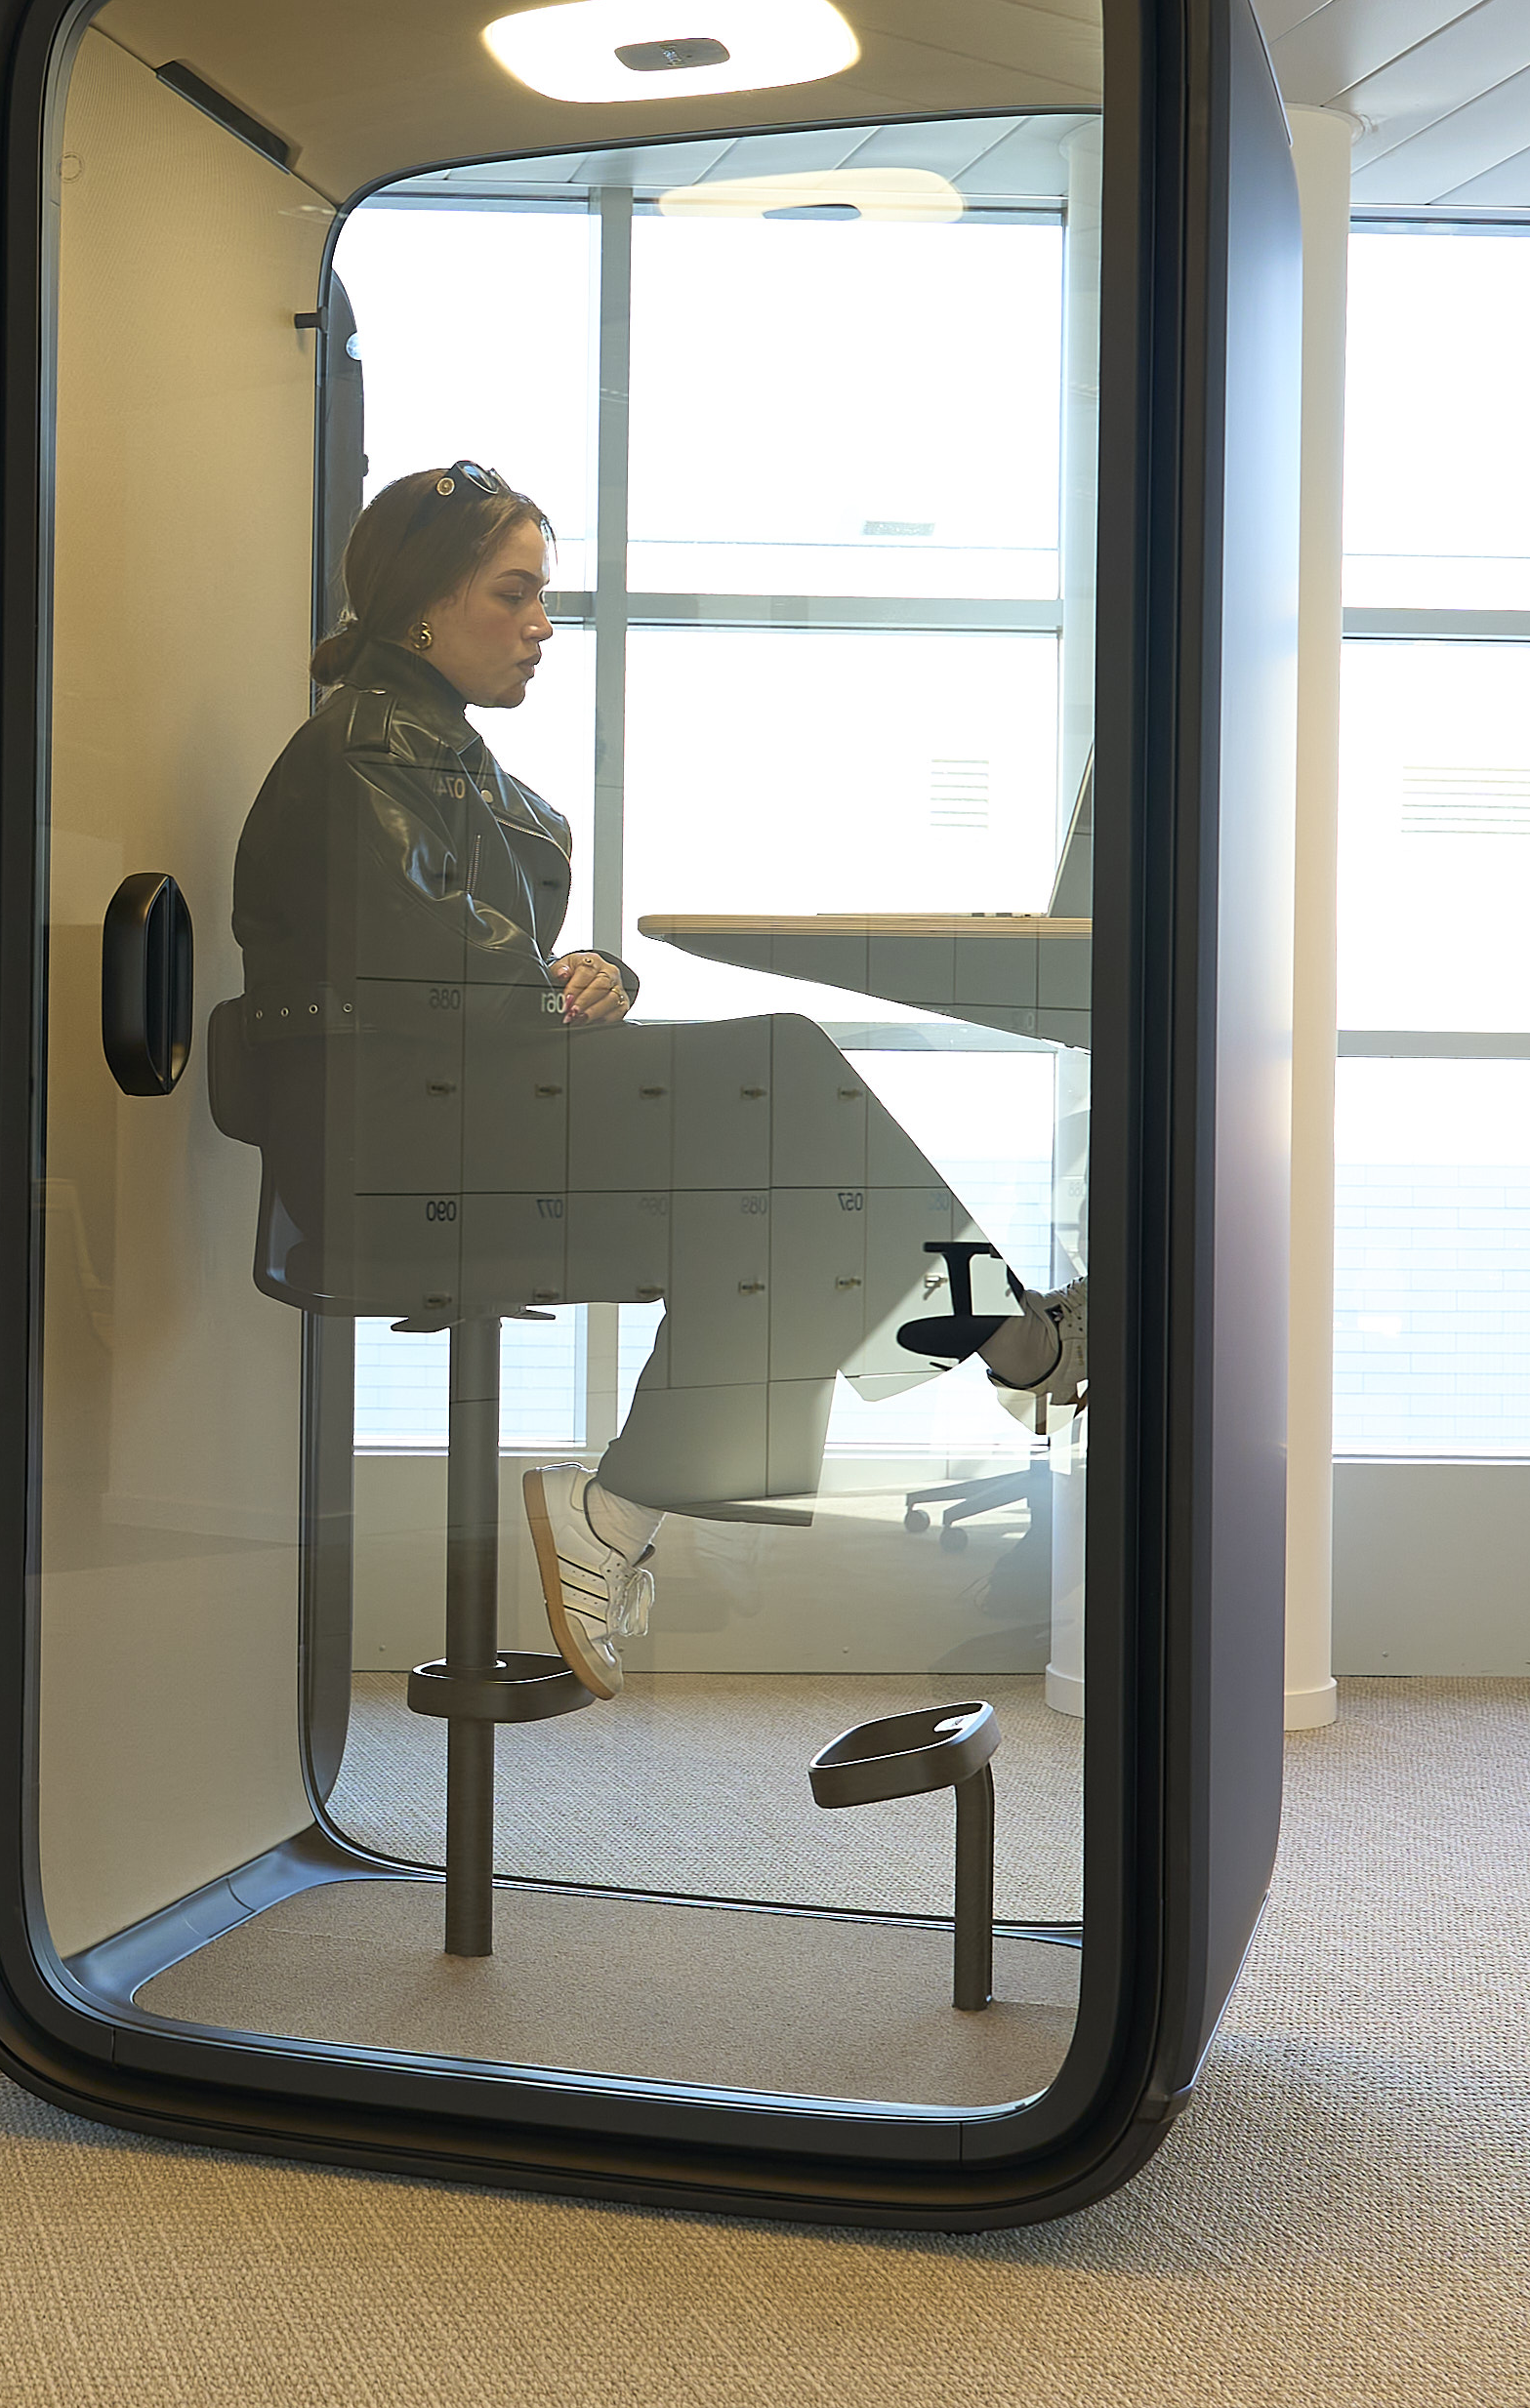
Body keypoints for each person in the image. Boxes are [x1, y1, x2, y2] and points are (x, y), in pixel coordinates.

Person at [220, 462, 1009, 1695]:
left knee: (792, 1203)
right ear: (423, 606)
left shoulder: (465, 776)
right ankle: (1001, 1340)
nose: (543, 624)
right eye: (515, 593)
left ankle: (620, 1514)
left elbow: (483, 968)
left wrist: (600, 974)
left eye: (547, 595)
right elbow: (447, 974)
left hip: (465, 1124)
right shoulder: (359, 759)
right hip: (397, 1156)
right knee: (782, 1075)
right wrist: (562, 983)